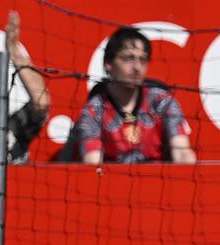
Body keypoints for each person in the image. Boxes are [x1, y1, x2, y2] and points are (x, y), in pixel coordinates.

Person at [72, 26, 195, 164]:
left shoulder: (162, 101)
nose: (137, 67)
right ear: (108, 64)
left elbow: (183, 153)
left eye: (143, 59)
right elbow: (92, 164)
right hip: (112, 182)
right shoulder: (94, 110)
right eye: (128, 58)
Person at [0, 11, 50, 164]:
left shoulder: (14, 128)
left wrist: (14, 51)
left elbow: (41, 103)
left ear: (1, 90)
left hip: (14, 187)